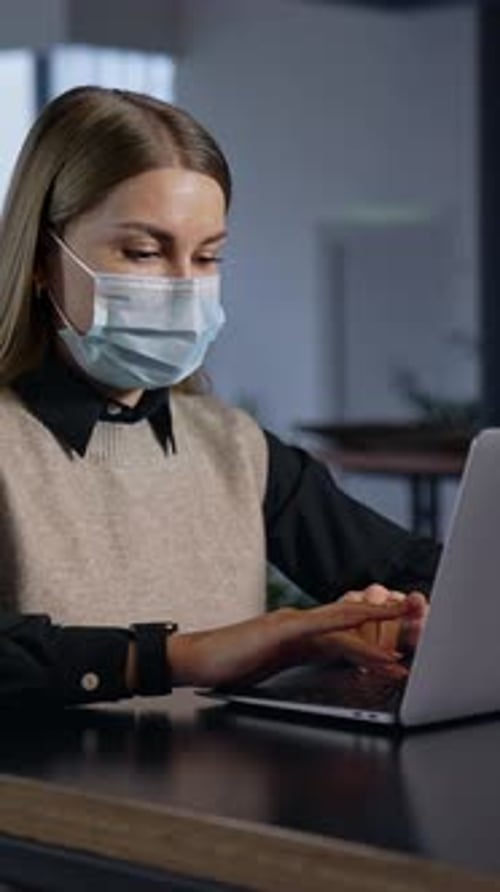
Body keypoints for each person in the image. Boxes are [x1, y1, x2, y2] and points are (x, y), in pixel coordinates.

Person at [0, 86, 440, 708]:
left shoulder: (236, 448)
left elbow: (416, 567)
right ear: (43, 259)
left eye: (208, 257)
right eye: (144, 251)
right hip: (49, 807)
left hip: (215, 805)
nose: (185, 287)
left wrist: (412, 612)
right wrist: (180, 657)